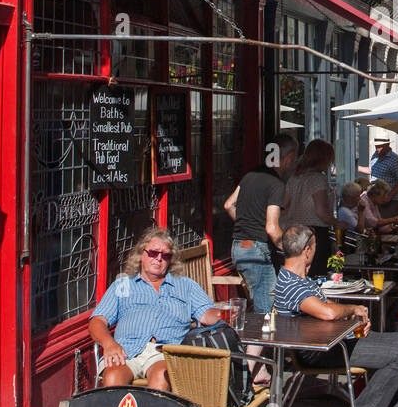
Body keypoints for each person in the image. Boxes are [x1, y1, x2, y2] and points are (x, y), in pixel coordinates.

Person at [273, 224, 398, 407]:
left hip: (337, 340)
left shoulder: (298, 279)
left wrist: (352, 318)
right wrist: (353, 309)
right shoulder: (291, 284)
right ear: (307, 250)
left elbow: (324, 306)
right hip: (323, 350)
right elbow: (326, 312)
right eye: (314, 247)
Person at [89, 228, 220, 390]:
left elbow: (207, 315)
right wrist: (109, 344)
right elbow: (97, 321)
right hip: (126, 351)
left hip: (165, 352)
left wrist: (225, 313)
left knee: (161, 376)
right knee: (113, 377)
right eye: (153, 253)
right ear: (141, 254)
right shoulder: (123, 285)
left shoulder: (186, 285)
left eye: (165, 255)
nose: (159, 258)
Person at [224, 134, 298, 314]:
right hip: (256, 251)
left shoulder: (250, 175)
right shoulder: (276, 184)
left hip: (239, 248)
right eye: (293, 159)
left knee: (262, 303)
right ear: (288, 158)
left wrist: (248, 225)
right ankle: (259, 341)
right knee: (266, 309)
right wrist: (290, 252)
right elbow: (272, 228)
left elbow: (228, 205)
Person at [280, 138, 344, 276]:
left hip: (294, 233)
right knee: (317, 274)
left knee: (297, 274)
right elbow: (321, 212)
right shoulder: (317, 179)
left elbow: (284, 206)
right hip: (314, 233)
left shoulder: (294, 177)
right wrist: (338, 222)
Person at [369, 135, 398, 218]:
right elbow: (372, 171)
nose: (377, 149)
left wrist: (389, 197)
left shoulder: (395, 160)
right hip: (375, 199)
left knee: (388, 227)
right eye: (376, 146)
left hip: (390, 201)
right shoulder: (375, 155)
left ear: (387, 145)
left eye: (380, 147)